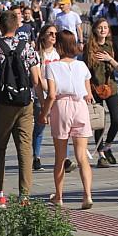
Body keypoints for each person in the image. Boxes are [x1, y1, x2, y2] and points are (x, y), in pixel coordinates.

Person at [0, 9, 41, 207]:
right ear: (17, 26)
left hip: (3, 103)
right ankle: (24, 196)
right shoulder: (28, 47)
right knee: (25, 148)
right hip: (26, 102)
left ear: (0, 26)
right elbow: (35, 78)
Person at [39, 30, 94, 209]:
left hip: (61, 107)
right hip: (80, 106)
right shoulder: (82, 66)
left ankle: (59, 196)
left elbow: (52, 94)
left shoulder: (52, 67)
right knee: (82, 156)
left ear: (60, 46)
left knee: (60, 156)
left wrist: (44, 113)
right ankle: (87, 195)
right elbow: (88, 94)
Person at [83, 18, 118, 168]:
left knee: (116, 119)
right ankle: (101, 154)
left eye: (105, 27)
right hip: (95, 89)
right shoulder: (89, 47)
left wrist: (109, 59)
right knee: (99, 123)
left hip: (110, 87)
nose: (103, 30)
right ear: (95, 30)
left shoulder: (111, 45)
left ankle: (108, 145)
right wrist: (87, 91)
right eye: (100, 28)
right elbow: (85, 71)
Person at [34, 24, 72, 173]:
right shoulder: (37, 54)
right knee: (40, 126)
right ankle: (35, 156)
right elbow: (37, 78)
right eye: (50, 33)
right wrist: (47, 94)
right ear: (43, 35)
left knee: (63, 126)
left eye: (55, 34)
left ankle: (66, 158)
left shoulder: (59, 54)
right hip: (42, 93)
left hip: (58, 93)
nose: (53, 36)